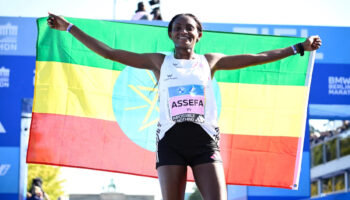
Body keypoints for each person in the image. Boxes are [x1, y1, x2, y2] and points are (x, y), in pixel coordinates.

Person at [47, 13, 321, 200]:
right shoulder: (158, 61)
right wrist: (69, 28)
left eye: (189, 27)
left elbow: (257, 57)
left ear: (199, 35)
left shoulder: (210, 61)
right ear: (170, 34)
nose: (183, 31)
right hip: (170, 144)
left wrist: (298, 47)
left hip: (205, 145)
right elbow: (110, 53)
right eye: (177, 28)